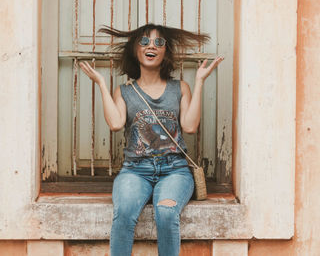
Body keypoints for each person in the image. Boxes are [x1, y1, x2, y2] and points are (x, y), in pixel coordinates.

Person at [79, 23, 223, 256]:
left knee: (166, 214)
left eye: (159, 42)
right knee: (124, 212)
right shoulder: (124, 91)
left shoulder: (179, 88)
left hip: (175, 170)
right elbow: (116, 124)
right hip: (135, 170)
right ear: (135, 50)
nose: (152, 46)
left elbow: (189, 126)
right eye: (144, 42)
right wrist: (102, 84)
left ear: (166, 51)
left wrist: (200, 82)